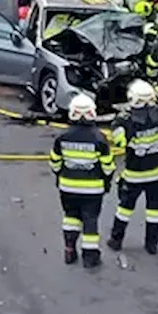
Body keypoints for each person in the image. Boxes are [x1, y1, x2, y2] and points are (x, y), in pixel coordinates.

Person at [49, 94, 116, 268]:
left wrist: (61, 176)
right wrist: (107, 181)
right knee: (90, 219)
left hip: (67, 187)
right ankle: (90, 256)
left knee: (71, 217)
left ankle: (69, 249)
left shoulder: (62, 138)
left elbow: (54, 163)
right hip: (92, 190)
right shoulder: (100, 138)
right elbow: (108, 166)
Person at [109, 79, 158, 254]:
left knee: (124, 209)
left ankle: (116, 240)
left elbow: (119, 142)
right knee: (154, 211)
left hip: (134, 174)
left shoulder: (125, 120)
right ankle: (152, 244)